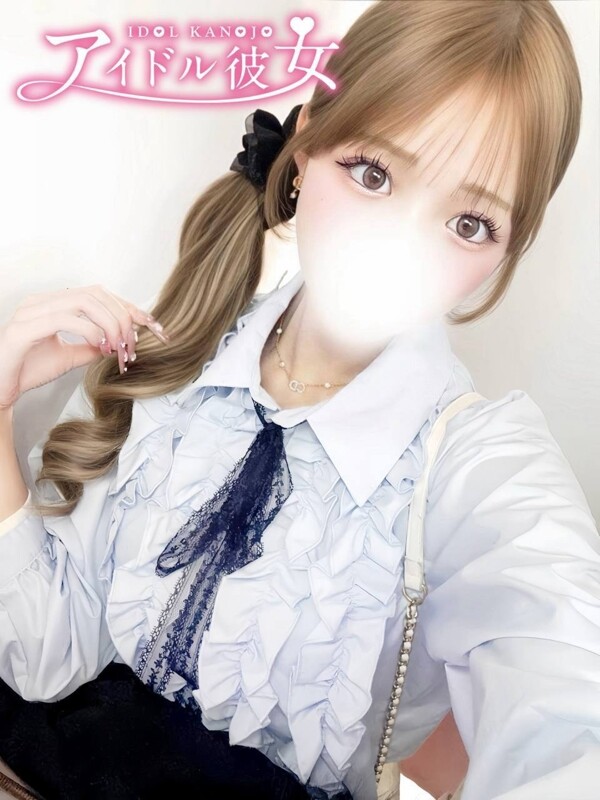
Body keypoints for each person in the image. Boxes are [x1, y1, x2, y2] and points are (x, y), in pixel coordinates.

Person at [0, 1, 598, 799]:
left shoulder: (477, 466)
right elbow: (43, 656)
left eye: (469, 222)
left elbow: (570, 712)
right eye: (373, 173)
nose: (398, 248)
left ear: (508, 249)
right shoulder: (180, 351)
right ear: (307, 141)